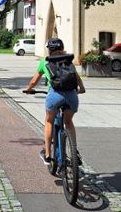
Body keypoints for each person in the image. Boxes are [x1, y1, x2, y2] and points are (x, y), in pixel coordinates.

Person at [24, 37, 85, 165]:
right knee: (68, 122)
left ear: (49, 50)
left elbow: (34, 81)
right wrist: (82, 89)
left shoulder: (45, 62)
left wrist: (28, 89)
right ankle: (74, 151)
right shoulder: (69, 61)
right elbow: (76, 77)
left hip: (55, 95)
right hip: (72, 96)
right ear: (62, 48)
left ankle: (47, 154)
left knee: (49, 121)